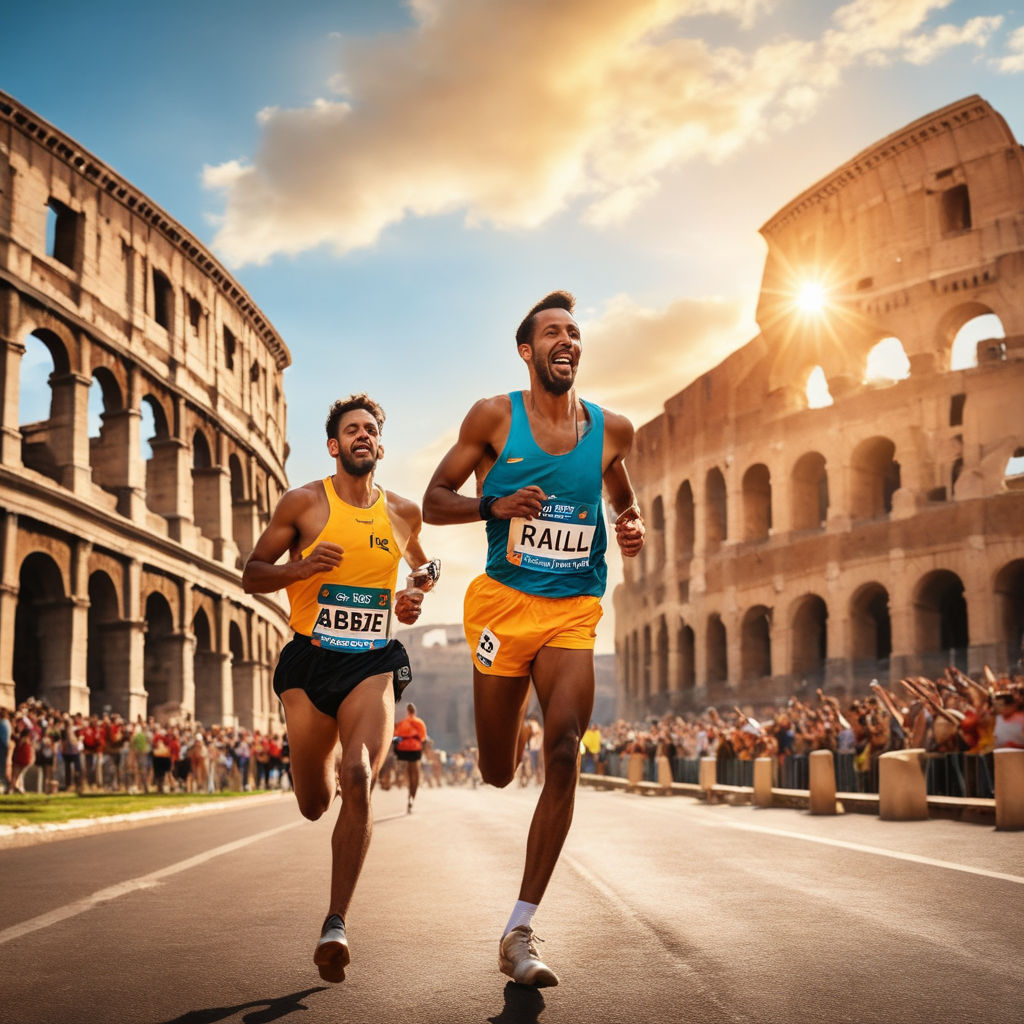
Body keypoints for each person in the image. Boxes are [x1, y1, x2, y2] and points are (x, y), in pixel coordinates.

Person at [422, 290, 645, 987]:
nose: (567, 340)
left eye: (575, 332)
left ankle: (520, 926)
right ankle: (508, 731)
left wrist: (632, 525)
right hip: (500, 610)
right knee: (495, 768)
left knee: (566, 746)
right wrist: (496, 504)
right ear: (528, 350)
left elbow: (622, 496)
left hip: (573, 608)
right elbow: (433, 500)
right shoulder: (494, 416)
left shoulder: (614, 430)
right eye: (552, 332)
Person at [242, 393, 436, 985]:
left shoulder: (402, 513)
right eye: (351, 430)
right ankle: (318, 767)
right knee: (313, 802)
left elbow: (422, 569)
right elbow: (251, 574)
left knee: (358, 777)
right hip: (308, 663)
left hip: (371, 662)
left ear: (379, 444)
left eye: (370, 430)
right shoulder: (302, 502)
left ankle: (335, 925)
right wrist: (300, 569)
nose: (361, 436)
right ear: (334, 445)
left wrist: (415, 593)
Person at [393, 702, 428, 812]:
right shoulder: (419, 722)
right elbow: (422, 738)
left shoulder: (402, 723)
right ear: (415, 711)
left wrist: (402, 741)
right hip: (414, 750)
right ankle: (411, 797)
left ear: (406, 711)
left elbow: (395, 737)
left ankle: (400, 776)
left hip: (402, 752)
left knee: (407, 773)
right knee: (415, 775)